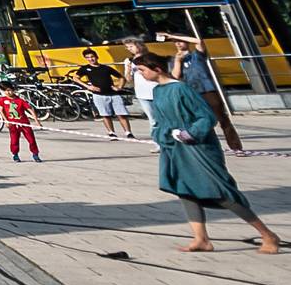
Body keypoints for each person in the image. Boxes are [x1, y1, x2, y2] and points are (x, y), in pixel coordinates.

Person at [129, 52, 278, 254]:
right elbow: (161, 119)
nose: (140, 74)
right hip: (175, 149)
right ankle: (201, 239)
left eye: (142, 70)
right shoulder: (158, 91)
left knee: (219, 191)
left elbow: (206, 117)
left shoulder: (181, 89)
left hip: (197, 148)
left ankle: (268, 235)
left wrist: (189, 134)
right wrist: (160, 135)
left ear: (157, 69)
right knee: (185, 190)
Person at [162, 32, 246, 153]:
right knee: (200, 121)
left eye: (180, 41)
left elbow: (198, 41)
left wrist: (172, 36)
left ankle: (236, 147)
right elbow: (175, 76)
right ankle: (205, 146)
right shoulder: (174, 59)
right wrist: (178, 61)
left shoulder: (197, 55)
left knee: (222, 119)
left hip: (207, 90)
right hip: (191, 93)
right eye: (175, 43)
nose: (178, 44)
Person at [80, 56, 133, 141]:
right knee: (106, 115)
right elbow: (75, 78)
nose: (91, 59)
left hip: (113, 94)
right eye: (88, 57)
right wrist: (88, 86)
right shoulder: (85, 68)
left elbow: (121, 77)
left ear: (97, 57)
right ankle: (111, 133)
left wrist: (119, 87)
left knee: (121, 114)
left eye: (92, 57)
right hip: (99, 95)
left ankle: (128, 133)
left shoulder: (105, 68)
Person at [0, 86, 43, 163]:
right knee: (14, 140)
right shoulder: (2, 99)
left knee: (31, 140)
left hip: (24, 123)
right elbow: (1, 110)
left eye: (10, 90)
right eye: (6, 91)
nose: (8, 93)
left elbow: (30, 110)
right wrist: (6, 121)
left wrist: (37, 122)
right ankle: (15, 154)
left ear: (13, 91)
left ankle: (35, 154)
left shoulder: (20, 100)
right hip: (12, 124)